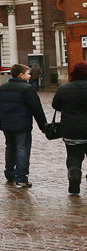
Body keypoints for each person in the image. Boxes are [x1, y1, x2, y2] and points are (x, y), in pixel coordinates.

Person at [0, 63, 48, 188]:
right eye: (28, 74)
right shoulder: (27, 89)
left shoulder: (3, 88)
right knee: (22, 149)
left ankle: (9, 173)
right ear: (21, 75)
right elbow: (37, 109)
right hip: (22, 124)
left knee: (10, 147)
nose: (30, 76)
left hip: (6, 124)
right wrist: (43, 126)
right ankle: (22, 177)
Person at [51, 62, 87, 194]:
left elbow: (55, 106)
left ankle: (74, 172)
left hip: (71, 129)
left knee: (73, 156)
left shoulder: (64, 89)